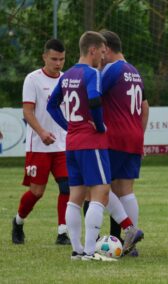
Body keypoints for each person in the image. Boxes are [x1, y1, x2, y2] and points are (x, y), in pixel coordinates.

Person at [47, 31, 115, 261]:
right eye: (102, 52)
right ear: (92, 50)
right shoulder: (91, 73)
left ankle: (76, 250)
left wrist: (69, 125)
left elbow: (51, 105)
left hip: (73, 142)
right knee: (101, 191)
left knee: (75, 195)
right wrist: (99, 125)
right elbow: (95, 98)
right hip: (91, 141)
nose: (103, 57)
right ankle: (88, 251)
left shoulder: (67, 75)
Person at [11, 39, 71, 245]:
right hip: (39, 145)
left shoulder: (67, 80)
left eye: (62, 59)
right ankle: (18, 221)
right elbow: (27, 112)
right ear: (44, 56)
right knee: (37, 192)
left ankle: (63, 232)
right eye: (54, 59)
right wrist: (42, 132)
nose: (58, 63)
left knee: (67, 188)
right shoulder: (33, 79)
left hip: (62, 145)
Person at [100, 30, 147, 255]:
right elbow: (145, 107)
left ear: (106, 48)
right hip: (134, 135)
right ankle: (131, 245)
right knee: (125, 190)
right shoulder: (134, 70)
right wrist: (140, 133)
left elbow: (92, 96)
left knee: (98, 186)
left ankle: (128, 230)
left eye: (100, 51)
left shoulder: (112, 69)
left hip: (115, 136)